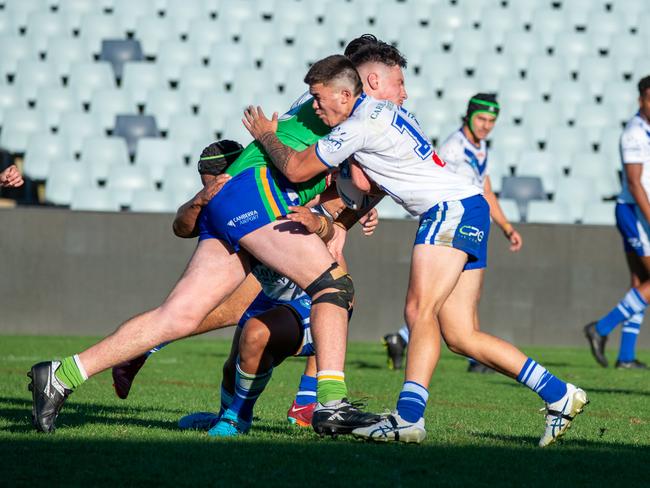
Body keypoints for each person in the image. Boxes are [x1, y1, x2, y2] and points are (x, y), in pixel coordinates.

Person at [27, 38, 409, 437]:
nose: (404, 93)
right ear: (369, 81)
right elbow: (351, 178)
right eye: (398, 83)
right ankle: (329, 404)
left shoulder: (331, 108)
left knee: (177, 316)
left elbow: (342, 183)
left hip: (230, 200)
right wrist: (359, 202)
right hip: (258, 194)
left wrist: (347, 213)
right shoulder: (356, 113)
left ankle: (61, 374)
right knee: (334, 286)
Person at [243, 54, 587, 447]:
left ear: (355, 86)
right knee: (460, 334)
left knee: (418, 311)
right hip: (469, 206)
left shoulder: (360, 124)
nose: (315, 106)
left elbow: (298, 170)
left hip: (447, 210)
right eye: (400, 84)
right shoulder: (391, 116)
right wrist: (344, 218)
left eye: (318, 98)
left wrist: (266, 134)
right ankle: (559, 394)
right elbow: (367, 182)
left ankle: (408, 418)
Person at [383, 94, 523, 374]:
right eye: (481, 119)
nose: (486, 126)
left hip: (470, 221)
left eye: (491, 121)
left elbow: (486, 189)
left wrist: (507, 227)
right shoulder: (453, 150)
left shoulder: (480, 147)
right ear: (469, 116)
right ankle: (475, 358)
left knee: (451, 295)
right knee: (444, 296)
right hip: (453, 222)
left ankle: (402, 338)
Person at [584, 75, 650, 370]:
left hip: (638, 213)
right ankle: (600, 329)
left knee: (639, 283)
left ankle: (625, 356)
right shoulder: (634, 134)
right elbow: (635, 184)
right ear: (641, 100)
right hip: (635, 212)